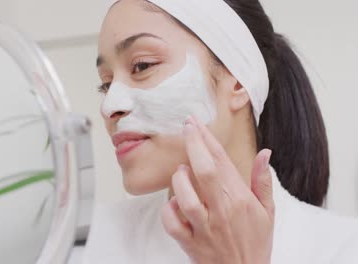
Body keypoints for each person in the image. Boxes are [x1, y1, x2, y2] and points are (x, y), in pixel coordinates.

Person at [82, 0, 358, 263]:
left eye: (142, 66)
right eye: (105, 85)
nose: (109, 106)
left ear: (237, 80)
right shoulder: (88, 243)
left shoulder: (344, 249)